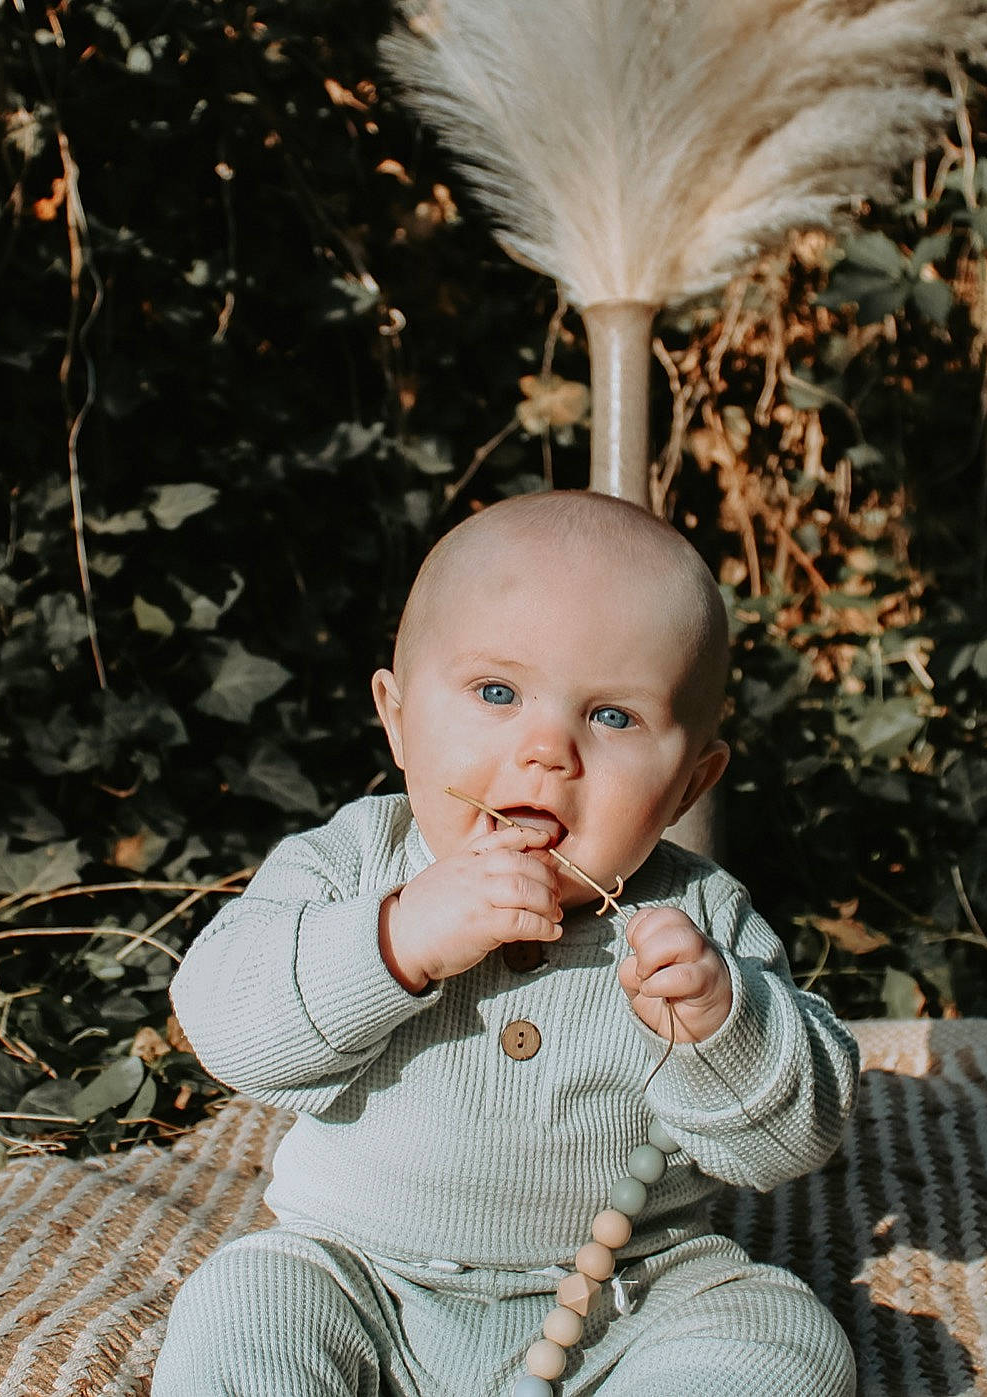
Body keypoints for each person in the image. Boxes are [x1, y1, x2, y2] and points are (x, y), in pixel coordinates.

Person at [153, 491, 860, 1396]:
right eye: (497, 692)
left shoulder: (695, 917)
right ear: (399, 720)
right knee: (243, 1306)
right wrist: (396, 938)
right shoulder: (354, 863)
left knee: (786, 1342)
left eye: (613, 717)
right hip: (360, 1279)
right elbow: (225, 1022)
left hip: (629, 1295)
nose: (547, 750)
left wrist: (723, 1027)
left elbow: (793, 1141)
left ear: (691, 783)